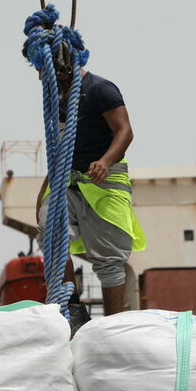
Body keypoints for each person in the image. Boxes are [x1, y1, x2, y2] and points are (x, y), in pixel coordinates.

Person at [25, 41, 146, 318]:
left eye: (43, 69)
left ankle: (112, 322)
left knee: (109, 258)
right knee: (50, 227)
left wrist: (105, 161)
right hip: (68, 180)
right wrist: (44, 191)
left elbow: (125, 131)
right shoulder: (56, 100)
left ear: (63, 67)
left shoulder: (99, 90)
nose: (40, 76)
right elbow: (61, 149)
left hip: (105, 179)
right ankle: (73, 307)